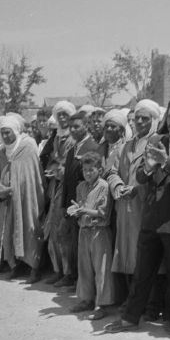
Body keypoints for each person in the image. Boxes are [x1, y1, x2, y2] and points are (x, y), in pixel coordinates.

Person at [105, 96, 170, 335]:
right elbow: (140, 177)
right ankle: (131, 317)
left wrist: (166, 162)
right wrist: (148, 167)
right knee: (142, 271)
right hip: (150, 217)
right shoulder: (157, 140)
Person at [106, 99, 160, 301]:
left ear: (153, 120)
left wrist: (137, 189)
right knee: (126, 253)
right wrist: (118, 186)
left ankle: (148, 303)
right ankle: (131, 299)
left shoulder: (158, 143)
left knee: (145, 256)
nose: (139, 122)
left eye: (144, 118)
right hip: (125, 208)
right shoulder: (126, 146)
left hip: (145, 208)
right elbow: (112, 171)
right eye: (136, 118)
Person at [0, 115, 45, 283]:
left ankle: (34, 267)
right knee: (10, 231)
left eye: (8, 133)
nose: (5, 137)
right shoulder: (0, 151)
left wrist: (20, 189)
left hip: (27, 198)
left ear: (15, 131)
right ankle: (16, 265)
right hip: (7, 200)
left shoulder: (27, 146)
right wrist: (0, 190)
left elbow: (34, 174)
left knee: (29, 228)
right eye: (2, 133)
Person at [57, 111, 105, 289]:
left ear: (86, 126)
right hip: (71, 204)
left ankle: (82, 282)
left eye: (77, 126)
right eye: (71, 127)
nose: (73, 130)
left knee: (82, 245)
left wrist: (83, 205)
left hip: (85, 205)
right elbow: (67, 180)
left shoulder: (93, 147)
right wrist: (64, 204)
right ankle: (71, 275)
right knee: (68, 239)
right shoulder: (72, 150)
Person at [68, 151, 115, 320]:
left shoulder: (103, 186)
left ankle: (102, 304)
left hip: (99, 232)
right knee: (84, 267)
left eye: (91, 170)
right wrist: (76, 210)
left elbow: (103, 212)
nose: (87, 173)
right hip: (84, 231)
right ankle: (87, 299)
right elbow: (81, 206)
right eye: (85, 170)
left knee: (101, 269)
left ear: (100, 170)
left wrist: (85, 210)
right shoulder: (80, 187)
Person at [42, 100, 77, 285]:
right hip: (55, 185)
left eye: (66, 114)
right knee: (53, 228)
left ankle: (68, 273)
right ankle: (57, 269)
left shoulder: (73, 137)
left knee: (64, 231)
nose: (62, 118)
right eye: (59, 115)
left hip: (67, 187)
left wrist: (61, 168)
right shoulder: (56, 137)